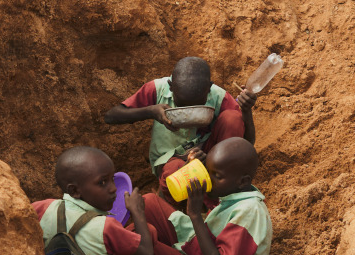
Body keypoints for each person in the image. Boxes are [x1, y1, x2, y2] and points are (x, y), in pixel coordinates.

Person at [104, 56, 256, 199]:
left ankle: (219, 190)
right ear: (171, 86)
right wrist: (150, 111)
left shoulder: (219, 97)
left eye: (197, 107)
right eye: (181, 106)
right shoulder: (157, 89)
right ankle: (179, 199)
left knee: (232, 118)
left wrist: (246, 112)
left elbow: (245, 145)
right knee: (173, 171)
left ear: (209, 88)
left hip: (207, 158)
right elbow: (111, 116)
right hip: (170, 160)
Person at [139, 138, 272, 255]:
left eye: (216, 175)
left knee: (139, 246)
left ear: (243, 181)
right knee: (148, 203)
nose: (209, 178)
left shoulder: (250, 212)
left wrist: (194, 214)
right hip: (204, 247)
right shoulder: (235, 193)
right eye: (208, 171)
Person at [32, 147, 154, 255]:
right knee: (148, 232)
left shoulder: (42, 208)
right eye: (102, 182)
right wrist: (138, 212)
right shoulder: (106, 226)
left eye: (112, 179)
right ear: (75, 190)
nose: (113, 188)